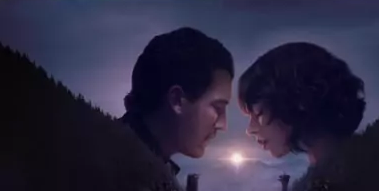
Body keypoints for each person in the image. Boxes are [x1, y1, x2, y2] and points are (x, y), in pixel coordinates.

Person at [238, 42, 365, 191]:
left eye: (258, 114)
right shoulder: (342, 167)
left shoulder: (348, 178)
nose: (250, 129)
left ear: (294, 104)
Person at [121, 28, 234, 187]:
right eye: (217, 107)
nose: (223, 125)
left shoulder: (123, 159)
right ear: (177, 100)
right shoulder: (116, 174)